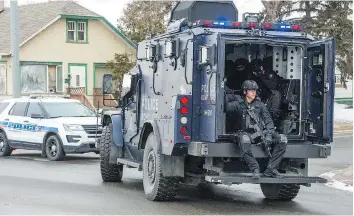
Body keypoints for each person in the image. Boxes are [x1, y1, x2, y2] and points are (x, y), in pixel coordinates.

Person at [224, 80, 288, 179]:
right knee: (244, 140)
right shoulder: (238, 104)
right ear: (245, 92)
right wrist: (224, 92)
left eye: (255, 90)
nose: (254, 92)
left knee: (282, 139)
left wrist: (269, 134)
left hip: (259, 133)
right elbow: (227, 108)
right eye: (251, 90)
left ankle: (271, 169)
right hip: (244, 134)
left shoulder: (260, 105)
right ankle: (255, 169)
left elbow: (268, 121)